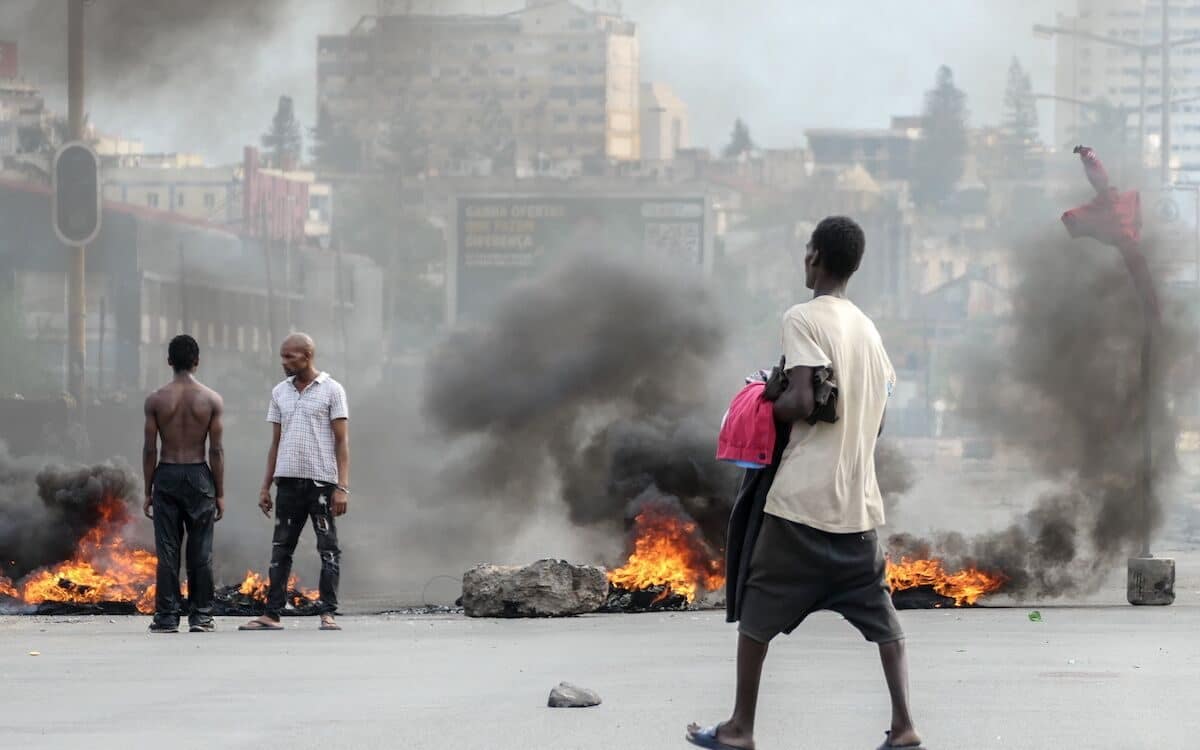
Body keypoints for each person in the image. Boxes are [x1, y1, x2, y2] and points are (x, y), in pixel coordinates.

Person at [686, 217, 923, 750]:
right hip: (858, 511)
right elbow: (876, 418)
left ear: (815, 257)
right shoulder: (869, 330)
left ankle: (740, 728)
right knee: (884, 621)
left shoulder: (802, 318)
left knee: (756, 611)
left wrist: (765, 395)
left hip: (799, 506)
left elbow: (798, 402)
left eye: (806, 253)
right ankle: (905, 725)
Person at [240, 333, 350, 632]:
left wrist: (342, 487)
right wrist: (266, 486)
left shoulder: (332, 390)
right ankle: (271, 614)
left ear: (307, 356)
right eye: (282, 356)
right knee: (281, 549)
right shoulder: (280, 392)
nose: (283, 362)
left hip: (321, 484)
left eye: (290, 356)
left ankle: (328, 612)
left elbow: (342, 442)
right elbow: (275, 443)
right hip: (287, 482)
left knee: (327, 549)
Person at [142, 334, 225, 634]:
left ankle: (166, 617)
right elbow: (215, 450)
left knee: (167, 551)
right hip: (199, 475)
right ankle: (201, 616)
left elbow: (150, 449)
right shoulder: (211, 399)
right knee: (201, 550)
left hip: (166, 474)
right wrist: (220, 493)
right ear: (196, 362)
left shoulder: (156, 399)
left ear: (168, 361)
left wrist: (148, 489)